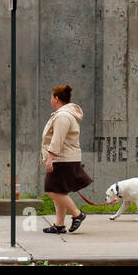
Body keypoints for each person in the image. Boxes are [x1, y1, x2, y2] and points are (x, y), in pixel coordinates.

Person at [40, 84, 91, 234]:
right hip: (65, 158)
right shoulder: (65, 114)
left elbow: (57, 139)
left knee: (51, 190)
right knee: (59, 191)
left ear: (56, 98)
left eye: (51, 96)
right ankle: (59, 225)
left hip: (62, 159)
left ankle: (77, 214)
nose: (51, 99)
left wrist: (50, 158)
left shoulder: (63, 116)